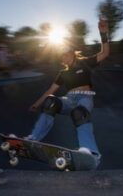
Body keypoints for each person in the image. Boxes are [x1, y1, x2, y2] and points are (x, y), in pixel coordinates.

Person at [25, 18, 109, 167]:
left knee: (79, 113)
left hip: (85, 98)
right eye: (62, 56)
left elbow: (105, 53)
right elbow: (50, 90)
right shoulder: (63, 73)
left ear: (73, 53)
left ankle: (91, 153)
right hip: (69, 100)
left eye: (67, 54)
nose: (65, 57)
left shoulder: (86, 62)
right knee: (51, 102)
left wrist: (104, 34)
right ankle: (33, 139)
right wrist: (36, 104)